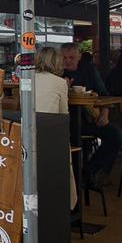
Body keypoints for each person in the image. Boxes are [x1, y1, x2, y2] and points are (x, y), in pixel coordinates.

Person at [60, 43, 122, 188]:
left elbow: (104, 94)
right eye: (64, 57)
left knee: (118, 136)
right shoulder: (56, 72)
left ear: (79, 57)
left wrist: (104, 114)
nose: (68, 61)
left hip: (89, 119)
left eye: (72, 57)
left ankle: (89, 170)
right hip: (66, 122)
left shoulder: (89, 70)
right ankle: (73, 177)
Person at [35, 47, 76, 210]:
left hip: (31, 135)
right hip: (52, 137)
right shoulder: (60, 83)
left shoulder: (27, 79)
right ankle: (67, 204)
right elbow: (63, 115)